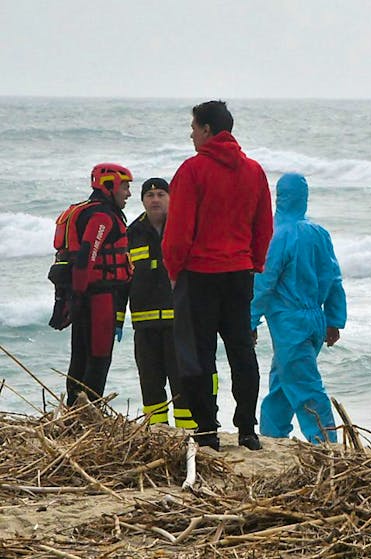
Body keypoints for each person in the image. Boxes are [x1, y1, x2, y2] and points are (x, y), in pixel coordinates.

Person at [162, 100, 273, 451]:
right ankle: (247, 430)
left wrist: (173, 269)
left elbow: (178, 231)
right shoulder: (254, 171)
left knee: (198, 354)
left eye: (194, 127)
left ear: (208, 130)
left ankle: (207, 429)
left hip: (199, 274)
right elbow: (263, 227)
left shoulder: (192, 170)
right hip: (239, 272)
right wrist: (253, 263)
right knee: (242, 350)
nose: (191, 134)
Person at [250, 173, 346, 445]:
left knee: (305, 386)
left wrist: (250, 319)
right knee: (283, 382)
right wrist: (334, 319)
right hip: (315, 318)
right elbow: (334, 278)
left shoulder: (276, 234)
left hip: (289, 322)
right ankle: (272, 436)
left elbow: (264, 282)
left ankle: (326, 444)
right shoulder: (319, 233)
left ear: (278, 197)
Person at [53, 163, 134, 406]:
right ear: (110, 185)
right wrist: (78, 296)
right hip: (97, 297)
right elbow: (87, 256)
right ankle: (89, 413)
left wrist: (71, 298)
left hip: (81, 295)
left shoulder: (86, 211)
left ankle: (73, 411)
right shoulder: (101, 217)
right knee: (99, 358)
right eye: (126, 187)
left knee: (79, 355)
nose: (128, 193)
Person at [126, 178, 195, 429]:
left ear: (171, 198)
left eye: (161, 194)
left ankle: (188, 433)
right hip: (144, 326)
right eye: (150, 194)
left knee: (183, 382)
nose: (155, 199)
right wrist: (116, 318)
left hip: (179, 323)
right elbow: (123, 279)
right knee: (150, 382)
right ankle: (156, 432)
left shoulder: (183, 228)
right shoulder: (131, 233)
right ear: (142, 200)